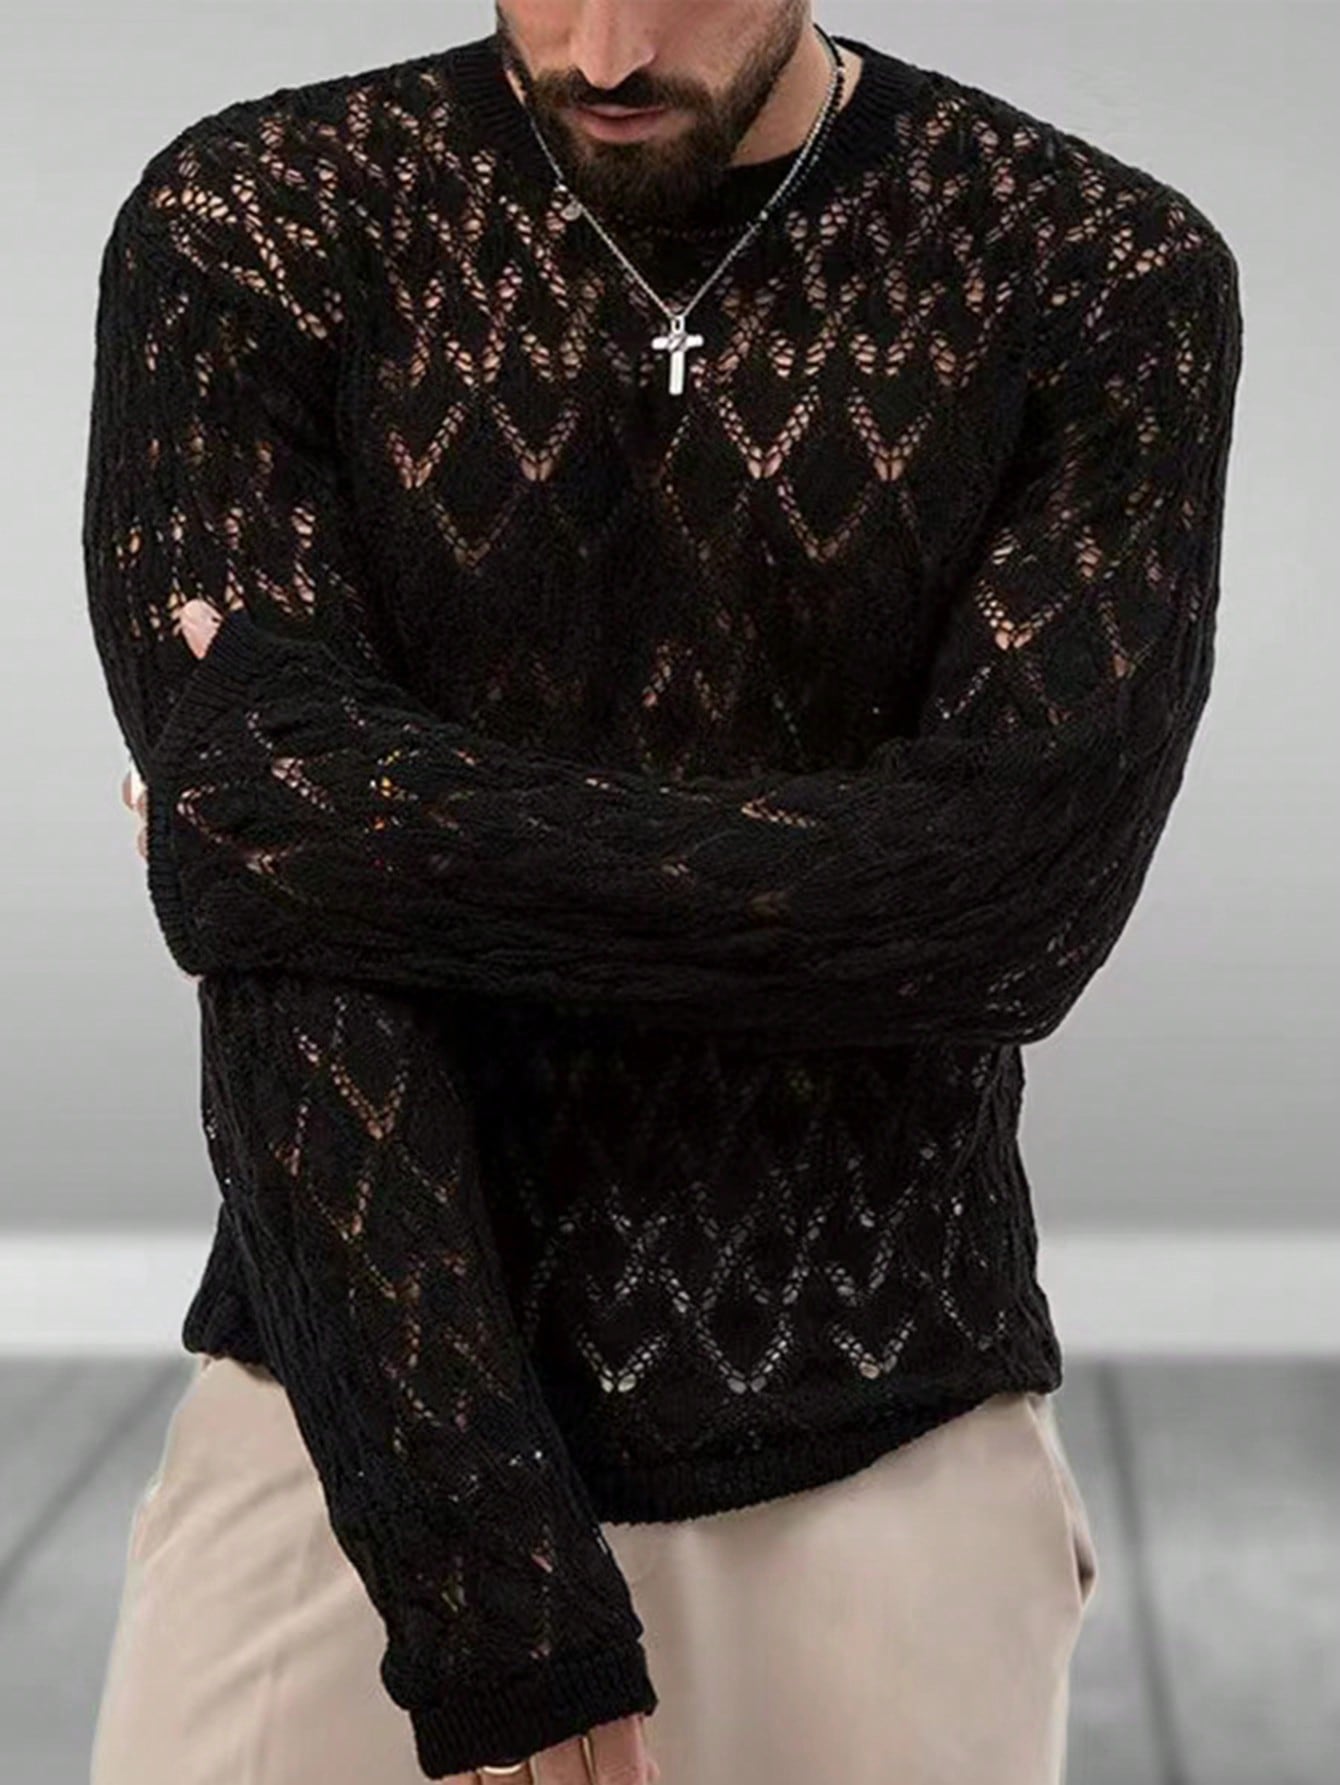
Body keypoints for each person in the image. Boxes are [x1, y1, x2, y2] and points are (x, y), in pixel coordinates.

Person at [83, 4, 1241, 1782]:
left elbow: (1008, 910)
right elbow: (292, 980)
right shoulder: (256, 223)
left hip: (890, 1464)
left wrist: (340, 816)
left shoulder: (1099, 272)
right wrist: (489, 1588)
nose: (609, 51)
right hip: (342, 1445)